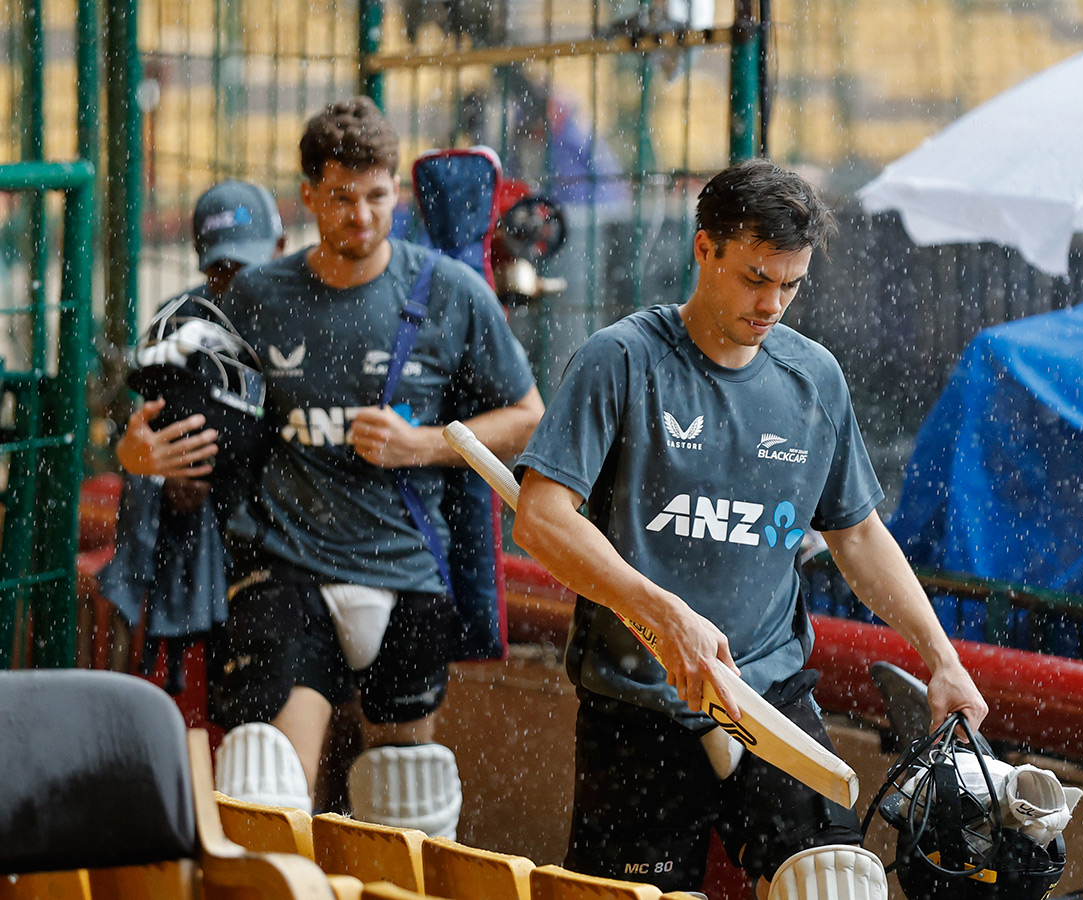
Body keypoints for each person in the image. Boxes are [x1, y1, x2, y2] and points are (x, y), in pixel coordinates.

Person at [511, 159, 988, 900]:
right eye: (755, 278)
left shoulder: (815, 379)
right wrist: (667, 615)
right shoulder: (622, 359)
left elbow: (857, 536)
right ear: (705, 250)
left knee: (838, 885)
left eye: (790, 284)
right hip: (639, 702)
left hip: (767, 694)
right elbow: (540, 521)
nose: (773, 304)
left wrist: (942, 659)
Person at [196, 96, 542, 829]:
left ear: (398, 192)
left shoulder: (449, 292)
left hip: (410, 569)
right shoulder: (259, 296)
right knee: (264, 790)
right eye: (342, 198)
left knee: (408, 802)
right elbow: (197, 401)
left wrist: (424, 443)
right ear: (309, 196)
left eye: (377, 197)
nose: (361, 215)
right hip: (288, 564)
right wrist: (144, 449)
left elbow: (529, 418)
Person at [105, 180, 286, 691]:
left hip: (291, 534)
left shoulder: (306, 320)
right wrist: (154, 470)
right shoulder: (182, 320)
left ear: (280, 248)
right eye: (220, 270)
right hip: (206, 536)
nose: (233, 283)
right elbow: (140, 435)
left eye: (244, 268)